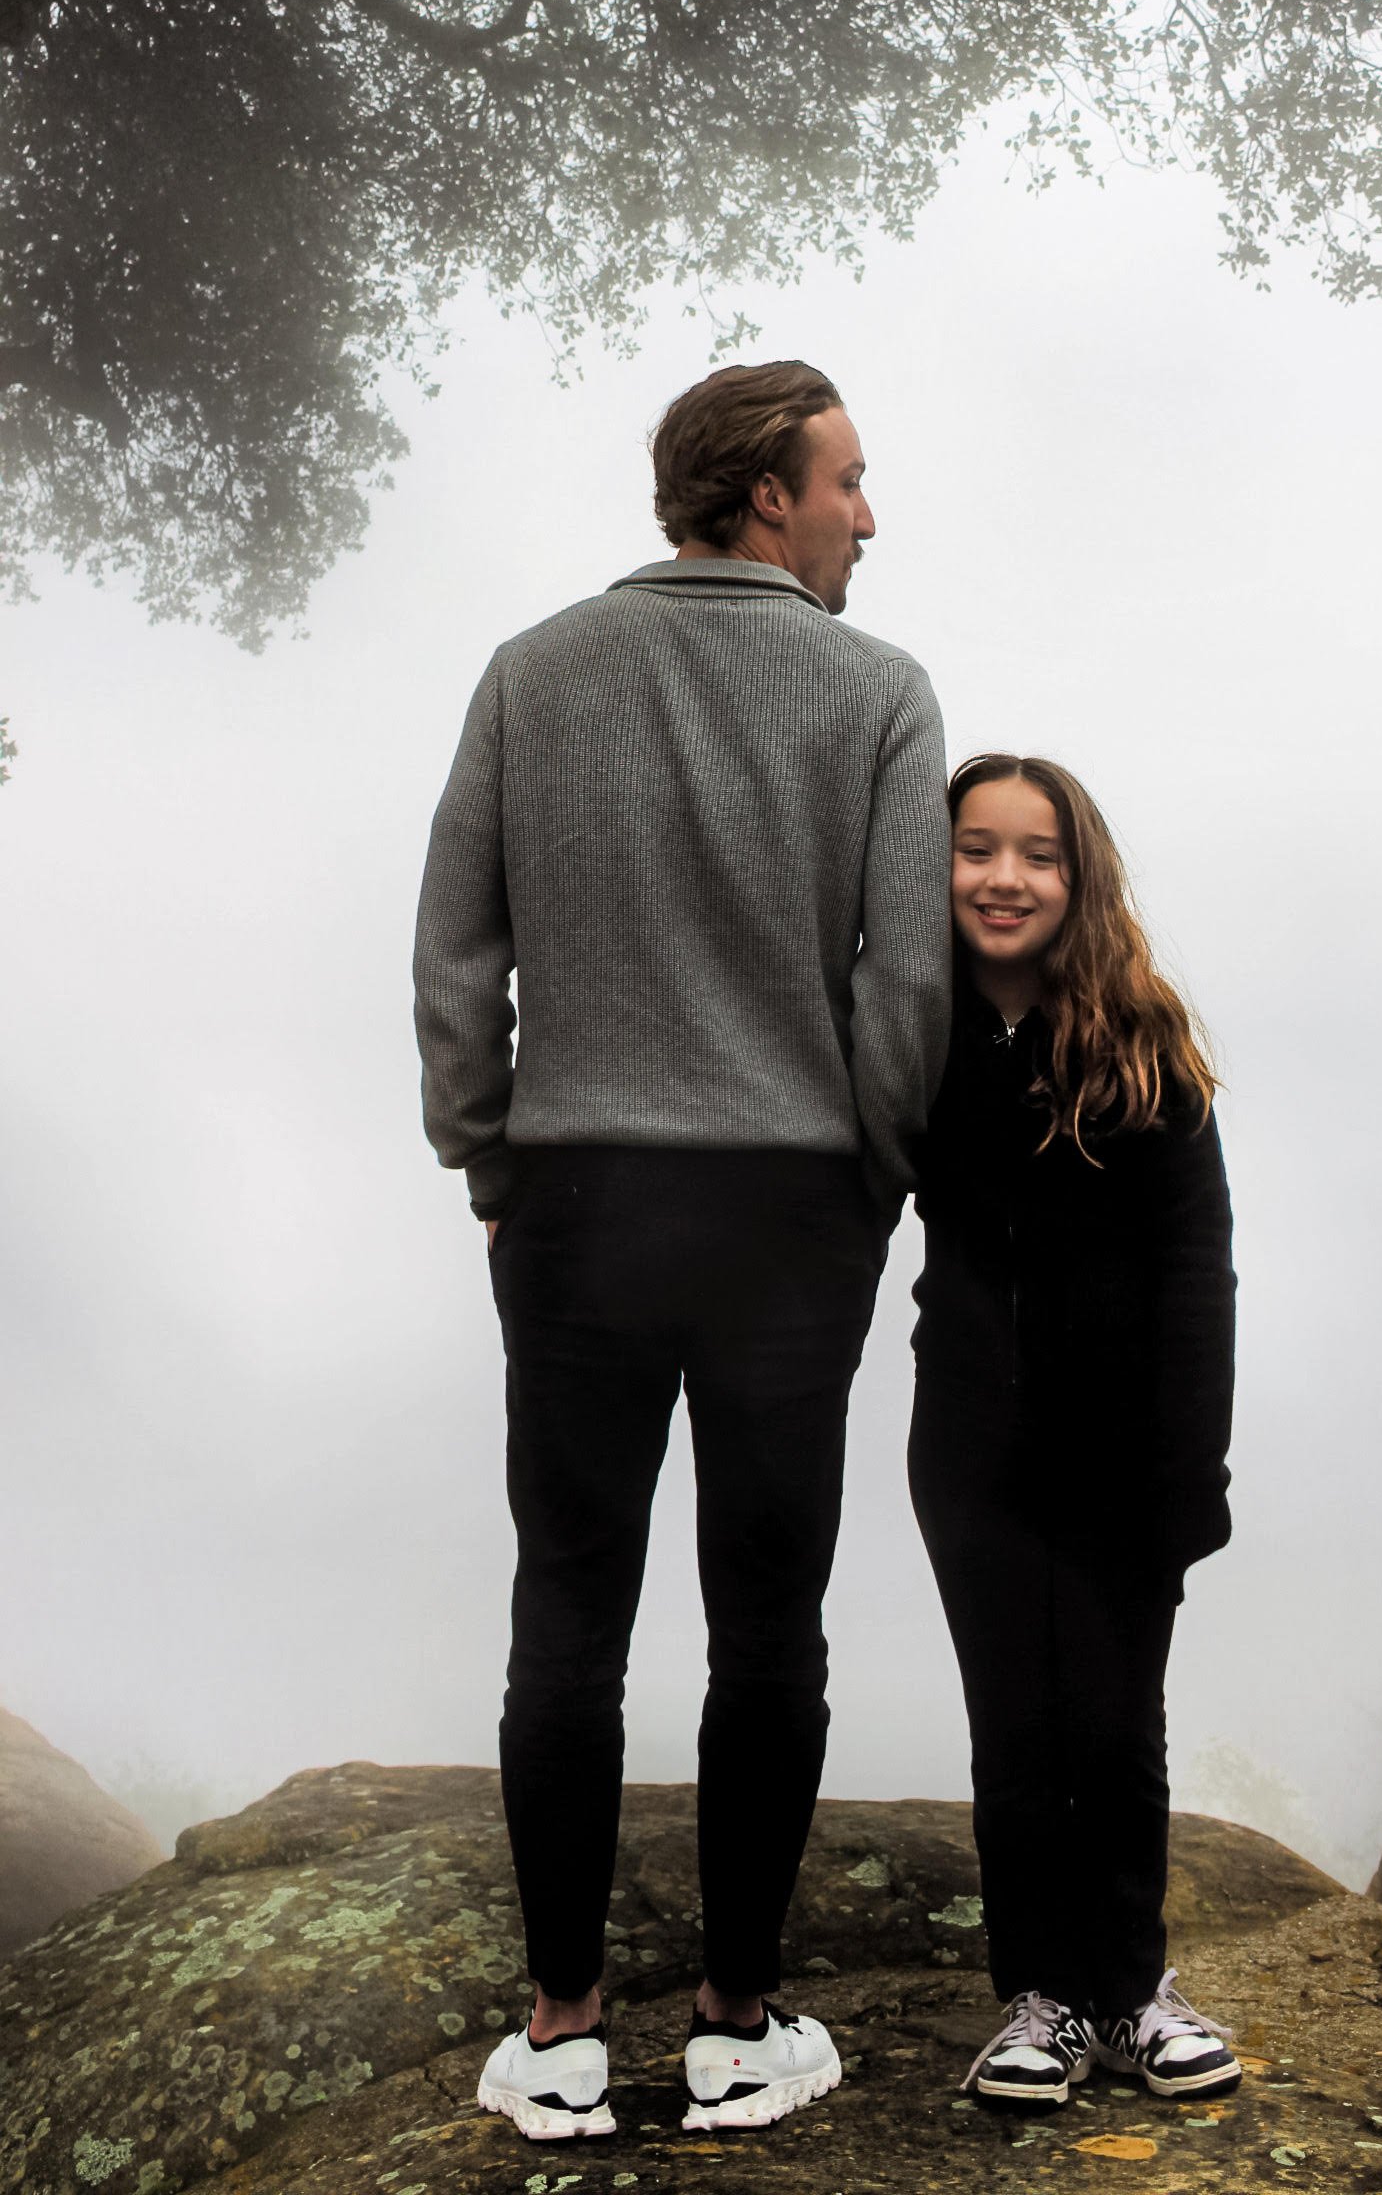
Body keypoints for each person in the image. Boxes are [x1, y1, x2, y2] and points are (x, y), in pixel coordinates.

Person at [412, 362, 951, 2139]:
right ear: (765, 495)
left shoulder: (532, 671)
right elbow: (903, 988)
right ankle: (735, 2021)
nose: (871, 515)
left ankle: (563, 2031)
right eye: (851, 483)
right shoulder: (879, 696)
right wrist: (870, 1176)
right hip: (790, 1209)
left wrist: (486, 1150)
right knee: (768, 1622)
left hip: (574, 1199)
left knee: (565, 1617)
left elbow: (455, 956)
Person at [909, 753, 1240, 2108]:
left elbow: (1197, 1270)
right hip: (971, 1455)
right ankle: (1042, 1998)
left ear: (1078, 874)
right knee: (1017, 1730)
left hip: (1126, 1457)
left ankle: (1133, 1992)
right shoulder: (907, 1033)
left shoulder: (1141, 1038)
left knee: (1115, 1726)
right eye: (974, 849)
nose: (1002, 877)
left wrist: (1191, 1477)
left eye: (1036, 854)